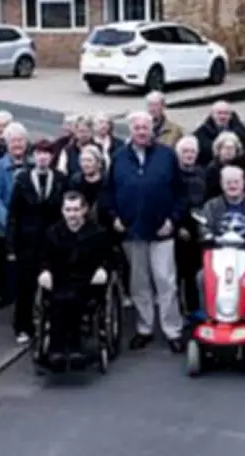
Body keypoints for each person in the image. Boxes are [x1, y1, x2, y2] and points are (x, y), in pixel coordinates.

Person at [102, 111, 187, 352]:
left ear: (152, 130)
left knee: (165, 281)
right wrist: (114, 217)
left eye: (145, 127)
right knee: (139, 283)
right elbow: (108, 192)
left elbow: (181, 193)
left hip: (162, 231)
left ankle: (172, 329)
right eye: (137, 128)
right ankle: (144, 328)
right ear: (131, 130)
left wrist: (173, 220)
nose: (141, 132)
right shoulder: (119, 158)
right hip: (132, 231)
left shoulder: (167, 156)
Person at [38, 191, 112, 369]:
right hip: (60, 280)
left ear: (84, 210)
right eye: (68, 210)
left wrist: (103, 269)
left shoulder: (98, 233)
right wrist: (44, 271)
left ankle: (75, 347)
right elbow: (43, 258)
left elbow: (110, 258)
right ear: (62, 211)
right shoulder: (52, 233)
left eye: (76, 209)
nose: (72, 214)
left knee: (74, 299)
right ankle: (56, 348)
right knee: (57, 300)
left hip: (87, 281)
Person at [6, 139, 66, 345]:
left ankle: (52, 324)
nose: (42, 157)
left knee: (55, 284)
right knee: (25, 287)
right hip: (27, 243)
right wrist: (11, 246)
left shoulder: (60, 179)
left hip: (53, 242)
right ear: (33, 156)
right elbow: (13, 215)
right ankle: (23, 326)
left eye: (46, 153)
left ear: (52, 157)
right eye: (39, 153)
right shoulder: (22, 179)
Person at [196, 166, 245, 321]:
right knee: (202, 277)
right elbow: (203, 228)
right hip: (220, 258)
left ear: (243, 183)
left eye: (236, 182)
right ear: (222, 184)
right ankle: (210, 315)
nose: (232, 186)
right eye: (228, 182)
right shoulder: (211, 206)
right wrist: (207, 236)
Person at [0, 121, 31, 309]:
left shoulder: (33, 164)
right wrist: (9, 221)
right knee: (4, 263)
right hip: (5, 226)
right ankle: (5, 296)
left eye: (20, 140)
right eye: (13, 141)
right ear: (6, 144)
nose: (17, 145)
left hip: (29, 226)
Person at [174, 136, 207, 316]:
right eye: (185, 151)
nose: (189, 155)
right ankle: (178, 311)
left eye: (192, 152)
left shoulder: (202, 173)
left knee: (194, 273)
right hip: (178, 229)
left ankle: (194, 310)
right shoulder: (172, 173)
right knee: (176, 274)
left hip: (197, 229)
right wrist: (178, 226)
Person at [193, 100, 245, 167]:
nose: (222, 117)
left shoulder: (242, 131)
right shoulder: (201, 133)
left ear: (231, 115)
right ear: (212, 115)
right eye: (219, 113)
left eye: (226, 113)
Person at [203, 131, 245, 200]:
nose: (229, 151)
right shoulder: (212, 169)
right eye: (226, 148)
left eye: (232, 148)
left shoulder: (242, 166)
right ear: (219, 150)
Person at [68, 144, 107, 217]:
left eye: (89, 160)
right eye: (83, 160)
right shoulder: (75, 181)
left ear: (99, 163)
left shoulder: (108, 182)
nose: (85, 164)